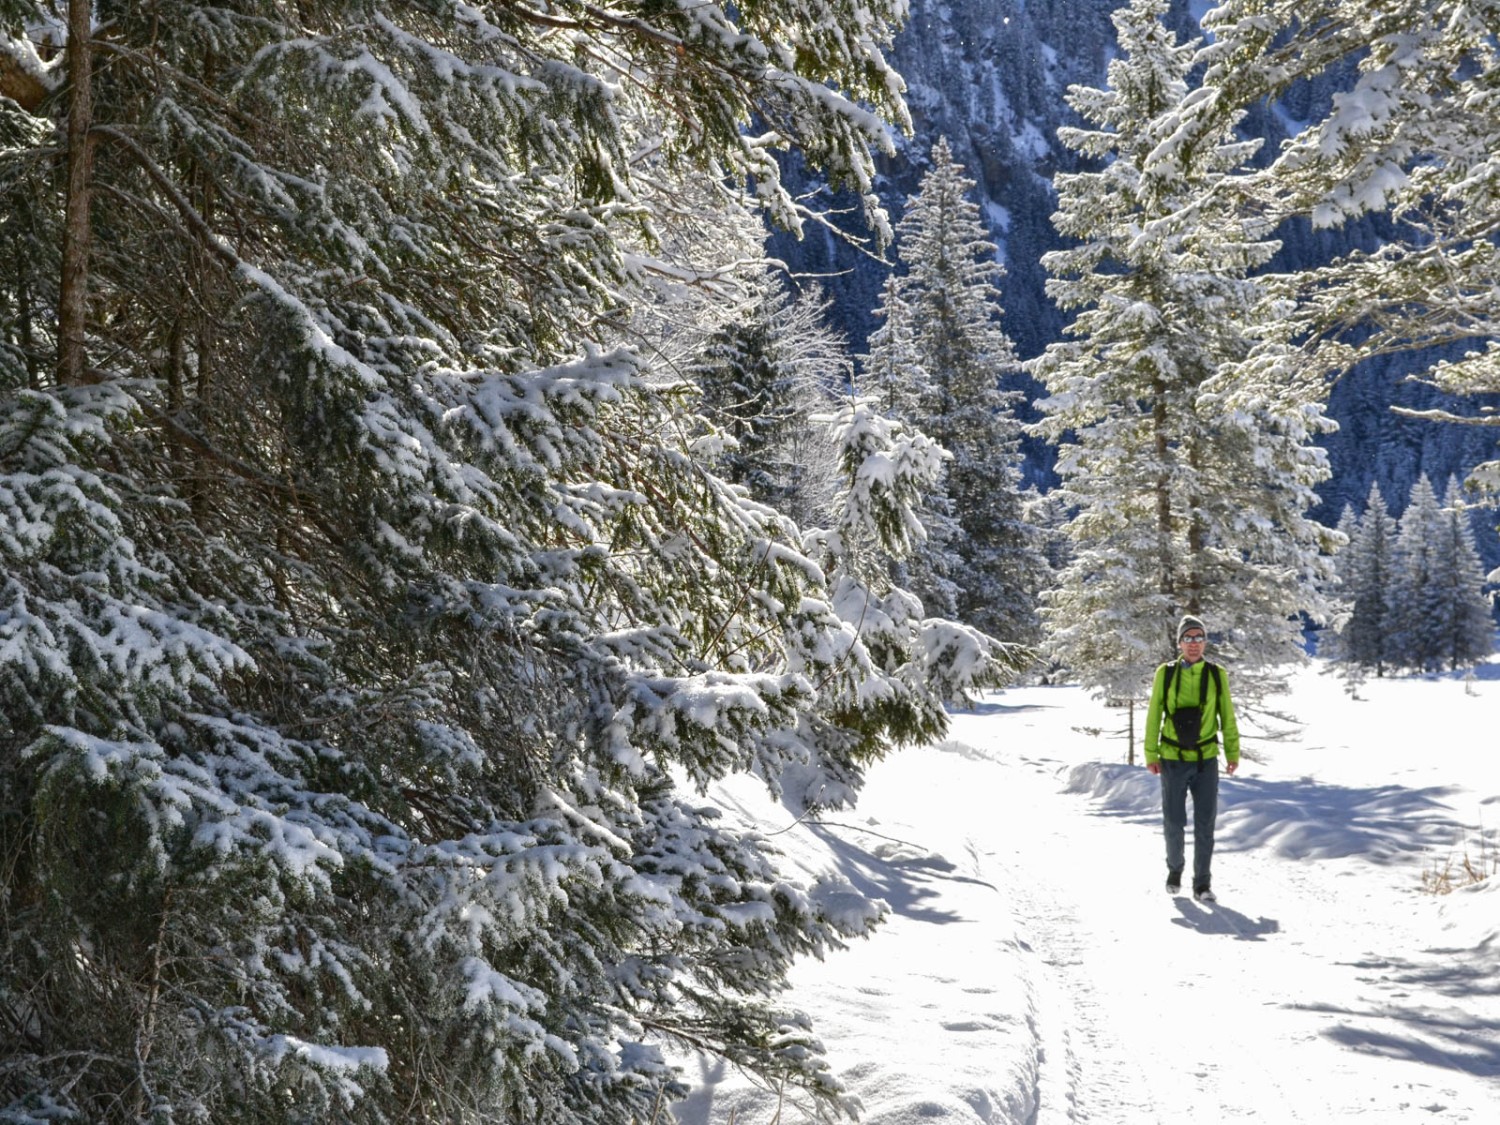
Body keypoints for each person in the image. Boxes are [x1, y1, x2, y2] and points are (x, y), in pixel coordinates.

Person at [1143, 614, 1239, 902]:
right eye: (1188, 638)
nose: (1194, 643)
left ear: (1205, 641)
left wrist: (1232, 751)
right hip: (1171, 757)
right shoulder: (1166, 673)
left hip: (1205, 759)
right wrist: (1151, 753)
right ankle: (1175, 870)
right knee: (1173, 821)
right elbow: (1153, 714)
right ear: (1180, 642)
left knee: (1205, 823)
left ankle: (1202, 883)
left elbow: (1228, 716)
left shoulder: (1216, 674)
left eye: (1199, 637)